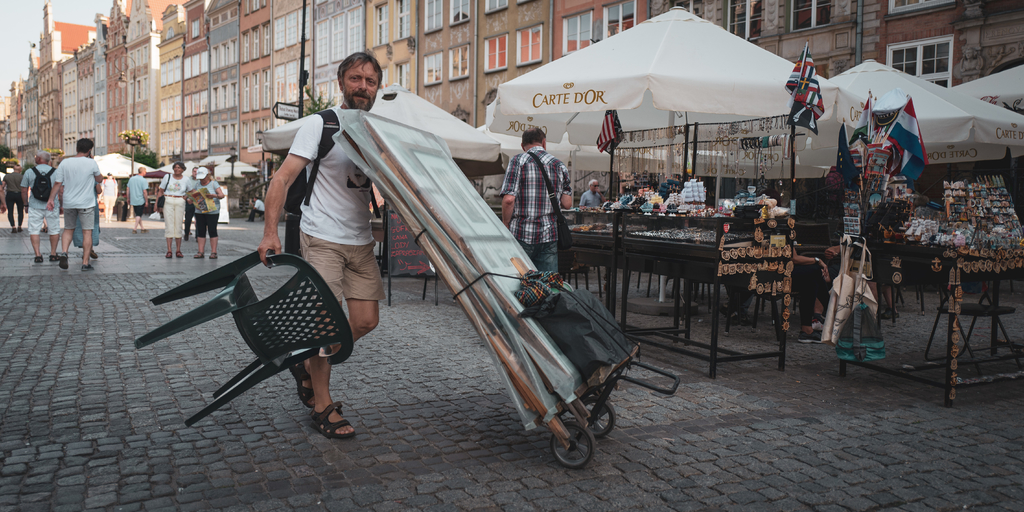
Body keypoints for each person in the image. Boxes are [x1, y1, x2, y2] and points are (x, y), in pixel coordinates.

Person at [257, 52, 385, 440]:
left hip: (361, 240)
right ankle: (322, 405)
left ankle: (305, 361)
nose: (363, 86)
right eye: (356, 78)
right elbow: (282, 179)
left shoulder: (376, 130)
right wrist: (270, 232)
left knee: (365, 321)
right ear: (342, 82)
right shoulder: (321, 123)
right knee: (326, 326)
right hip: (322, 237)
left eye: (371, 81)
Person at [499, 127, 572, 272]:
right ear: (544, 143)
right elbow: (567, 203)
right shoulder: (559, 165)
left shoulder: (518, 161)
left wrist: (505, 224)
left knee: (519, 279)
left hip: (521, 233)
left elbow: (508, 200)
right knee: (547, 281)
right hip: (549, 235)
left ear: (522, 145)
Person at [47, 138, 102, 271]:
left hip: (69, 202)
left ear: (76, 148)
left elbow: (58, 183)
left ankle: (64, 252)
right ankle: (85, 263)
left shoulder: (65, 162)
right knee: (87, 232)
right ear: (89, 150)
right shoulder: (91, 163)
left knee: (68, 229)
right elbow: (99, 179)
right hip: (86, 203)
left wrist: (51, 199)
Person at [20, 151, 62, 263]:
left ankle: (38, 255)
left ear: (38, 159)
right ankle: (53, 254)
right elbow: (61, 190)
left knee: (34, 229)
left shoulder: (29, 172)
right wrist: (61, 204)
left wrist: (26, 204)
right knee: (54, 229)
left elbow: (23, 190)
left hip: (35, 205)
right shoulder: (56, 172)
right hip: (52, 205)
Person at [158, 162, 192, 258]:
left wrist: (187, 197)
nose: (177, 169)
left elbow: (191, 191)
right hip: (168, 200)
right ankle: (169, 250)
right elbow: (161, 191)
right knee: (169, 225)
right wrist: (157, 204)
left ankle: (178, 250)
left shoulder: (186, 179)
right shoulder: (167, 177)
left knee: (178, 225)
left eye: (179, 167)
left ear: (183, 169)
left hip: (180, 201)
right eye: (175, 167)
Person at [192, 167, 225, 259]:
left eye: (203, 178)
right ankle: (200, 251)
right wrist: (191, 200)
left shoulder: (214, 183)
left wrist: (213, 195)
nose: (202, 180)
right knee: (200, 231)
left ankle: (213, 252)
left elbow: (221, 195)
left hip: (212, 211)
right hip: (200, 210)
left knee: (212, 230)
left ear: (208, 176)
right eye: (200, 178)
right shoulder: (197, 184)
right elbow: (193, 195)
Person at [184, 165, 205, 241]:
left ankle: (198, 236)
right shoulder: (188, 180)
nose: (195, 173)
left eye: (197, 171)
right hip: (190, 201)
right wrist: (187, 198)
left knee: (199, 220)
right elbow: (185, 190)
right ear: (192, 172)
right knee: (188, 219)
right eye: (194, 171)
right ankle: (186, 233)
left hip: (199, 202)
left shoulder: (201, 180)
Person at [3, 163, 25, 233]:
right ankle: (19, 226)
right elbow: (25, 188)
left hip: (10, 194)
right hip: (20, 194)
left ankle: (13, 227)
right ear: (20, 170)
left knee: (10, 211)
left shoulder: (7, 176)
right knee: (20, 211)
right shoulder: (22, 177)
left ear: (13, 169)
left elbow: (2, 186)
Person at [127, 167, 149, 233]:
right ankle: (135, 229)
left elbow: (128, 189)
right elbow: (144, 191)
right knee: (138, 215)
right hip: (140, 199)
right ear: (143, 172)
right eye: (145, 171)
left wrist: (128, 198)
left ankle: (142, 228)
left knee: (138, 214)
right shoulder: (143, 180)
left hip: (133, 199)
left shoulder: (131, 179)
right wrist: (146, 200)